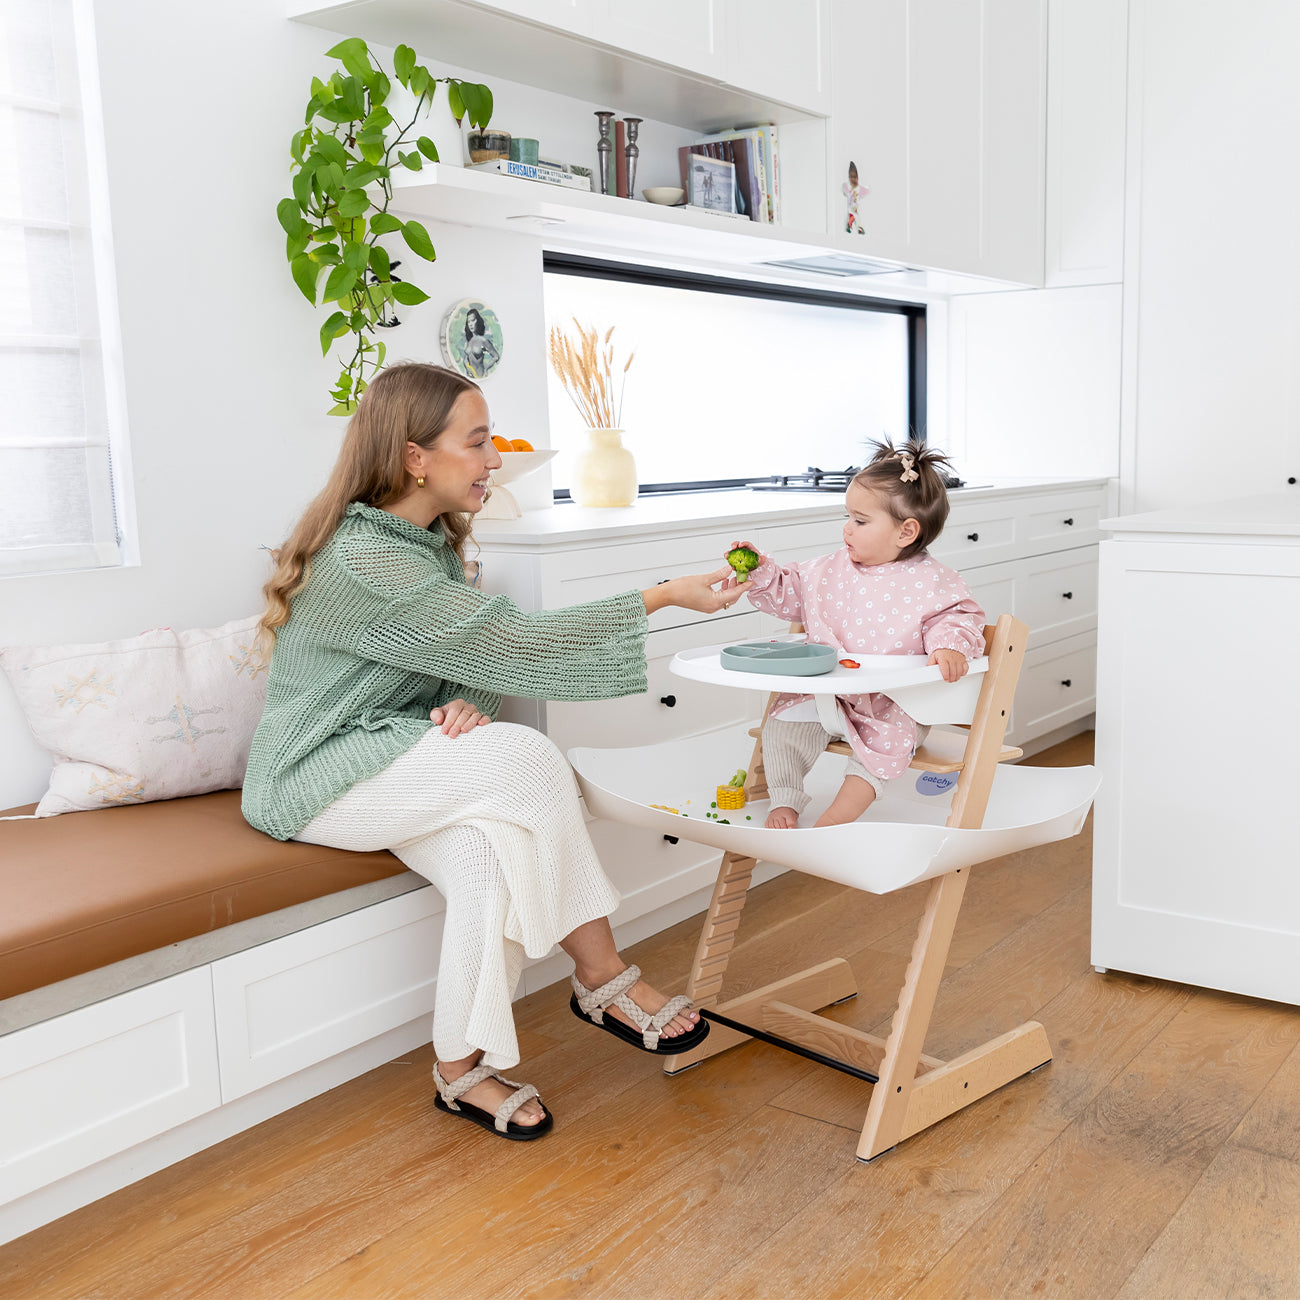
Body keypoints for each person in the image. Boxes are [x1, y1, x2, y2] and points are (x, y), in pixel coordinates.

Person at [242, 362, 743, 1141]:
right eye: (476, 443)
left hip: (394, 754)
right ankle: (604, 977)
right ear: (416, 457)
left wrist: (470, 698)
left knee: (487, 855)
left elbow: (467, 655)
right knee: (529, 760)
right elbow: (514, 642)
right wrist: (665, 592)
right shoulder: (366, 559)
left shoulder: (421, 545)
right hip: (318, 773)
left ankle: (458, 1070)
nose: (493, 459)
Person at [730, 439, 985, 830]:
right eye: (848, 517)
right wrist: (763, 572)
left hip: (893, 701)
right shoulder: (828, 569)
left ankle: (837, 817)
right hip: (826, 692)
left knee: (888, 745)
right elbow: (790, 590)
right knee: (782, 724)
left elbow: (957, 617)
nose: (846, 529)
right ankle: (785, 797)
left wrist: (949, 645)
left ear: (906, 532)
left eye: (860, 521)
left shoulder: (933, 582)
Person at [462, 307, 501, 378]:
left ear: (478, 321)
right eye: (468, 321)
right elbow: (466, 358)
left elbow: (496, 356)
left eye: (473, 320)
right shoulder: (469, 340)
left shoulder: (483, 341)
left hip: (479, 376)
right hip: (470, 377)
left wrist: (486, 367)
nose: (470, 324)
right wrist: (467, 368)